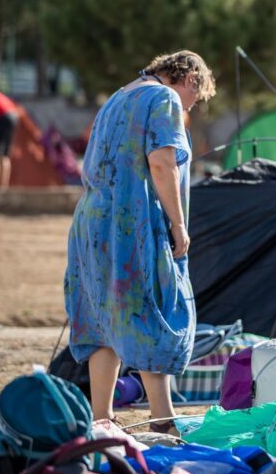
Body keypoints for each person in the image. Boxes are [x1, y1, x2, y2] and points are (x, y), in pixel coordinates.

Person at [65, 50, 215, 429]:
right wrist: (178, 224)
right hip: (131, 221)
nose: (189, 109)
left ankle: (102, 419)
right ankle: (163, 419)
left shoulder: (117, 97)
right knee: (152, 309)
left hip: (91, 220)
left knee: (103, 317)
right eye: (193, 100)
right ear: (188, 79)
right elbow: (161, 162)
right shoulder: (162, 98)